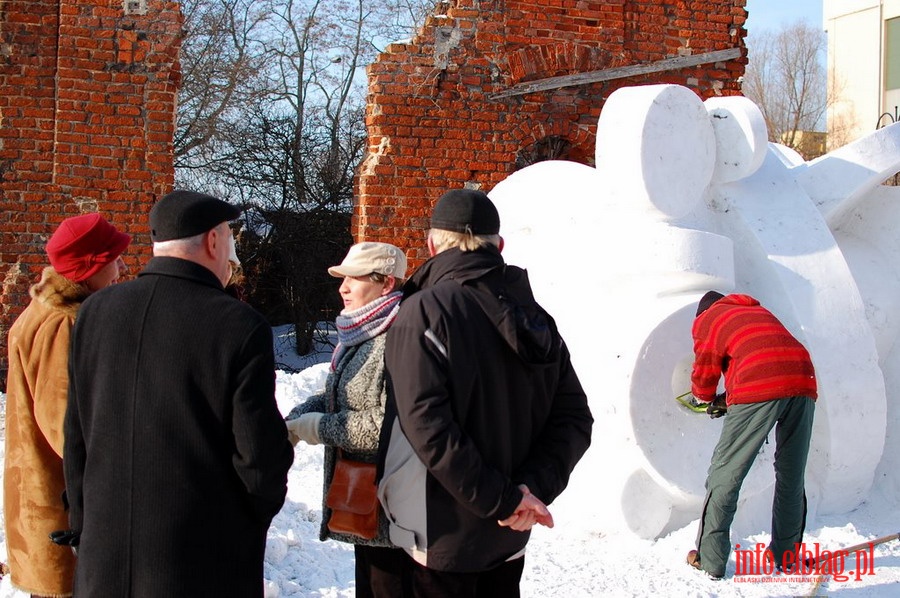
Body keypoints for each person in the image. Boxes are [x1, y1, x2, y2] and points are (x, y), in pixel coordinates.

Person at [62, 190, 294, 597]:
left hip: (105, 552)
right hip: (200, 557)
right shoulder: (237, 325)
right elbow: (258, 457)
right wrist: (250, 522)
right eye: (229, 238)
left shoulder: (96, 312)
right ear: (212, 241)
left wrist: (83, 523)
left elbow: (77, 435)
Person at [376, 189, 593, 597]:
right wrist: (528, 491)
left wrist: (511, 498)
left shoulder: (424, 312)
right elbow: (575, 420)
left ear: (432, 245)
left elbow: (429, 429)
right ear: (500, 246)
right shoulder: (536, 317)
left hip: (442, 537)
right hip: (507, 533)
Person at [4, 213, 129, 598]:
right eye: (114, 258)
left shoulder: (56, 313)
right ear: (89, 267)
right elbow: (64, 425)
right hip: (61, 508)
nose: (123, 267)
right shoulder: (61, 324)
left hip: (60, 501)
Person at [286, 241, 411, 598]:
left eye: (354, 278)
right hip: (364, 507)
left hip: (392, 509)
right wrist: (295, 418)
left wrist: (317, 428)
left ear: (386, 284)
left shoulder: (397, 338)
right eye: (342, 278)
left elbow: (389, 425)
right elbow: (337, 397)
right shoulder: (362, 334)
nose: (343, 287)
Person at [686, 291, 817, 580]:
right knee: (791, 473)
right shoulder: (756, 311)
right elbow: (761, 352)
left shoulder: (708, 319)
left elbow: (706, 368)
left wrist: (703, 397)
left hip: (760, 384)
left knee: (726, 474)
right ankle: (786, 554)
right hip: (803, 378)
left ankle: (710, 559)